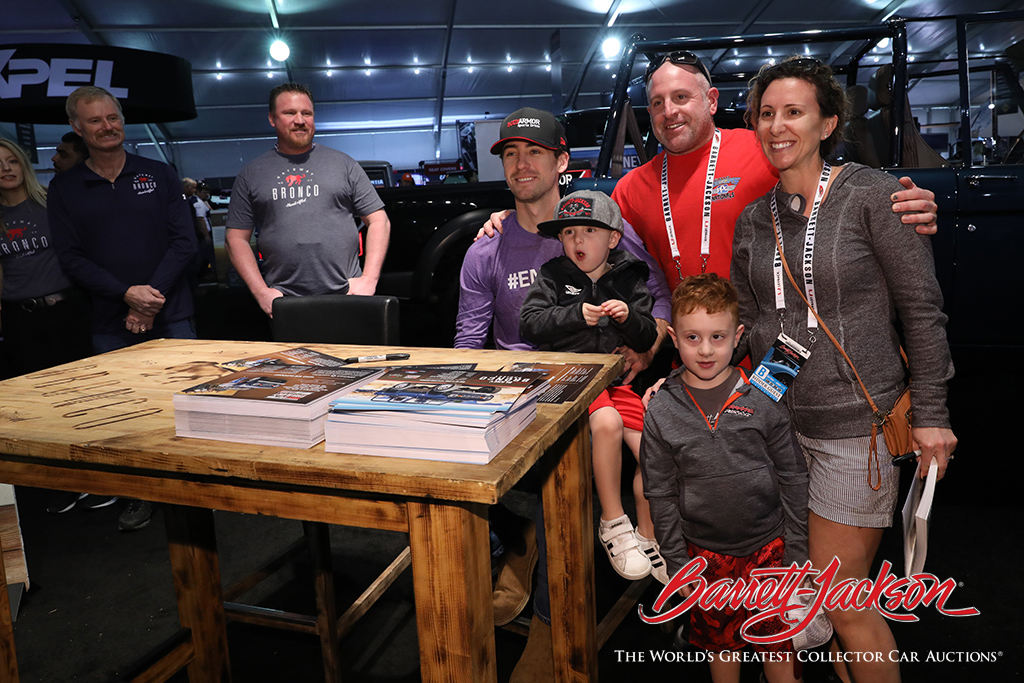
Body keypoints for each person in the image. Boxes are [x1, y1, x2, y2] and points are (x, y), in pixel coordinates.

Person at [731, 57, 956, 683]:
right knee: (808, 605)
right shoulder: (753, 221)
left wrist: (933, 416)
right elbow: (752, 322)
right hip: (782, 432)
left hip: (858, 431)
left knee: (842, 600)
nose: (778, 125)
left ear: (828, 122)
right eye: (766, 114)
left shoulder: (874, 196)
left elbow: (923, 311)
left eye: (794, 112)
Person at [457, 108, 671, 681]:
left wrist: (645, 350)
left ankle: (554, 625)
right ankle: (516, 545)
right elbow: (468, 340)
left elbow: (658, 299)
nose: (521, 164)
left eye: (534, 152)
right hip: (516, 390)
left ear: (561, 161)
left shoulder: (604, 228)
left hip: (586, 391)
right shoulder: (488, 246)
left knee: (571, 469)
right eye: (509, 154)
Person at [610, 51, 940, 295]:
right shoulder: (629, 191)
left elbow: (832, 188)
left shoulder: (765, 147)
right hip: (693, 354)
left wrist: (896, 205)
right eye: (657, 102)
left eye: (681, 97)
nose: (669, 111)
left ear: (711, 101)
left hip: (776, 341)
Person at [641, 273, 810, 683]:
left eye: (717, 337)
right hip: (704, 558)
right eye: (692, 337)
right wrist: (678, 562)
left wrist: (797, 553)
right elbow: (659, 493)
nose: (705, 349)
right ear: (673, 338)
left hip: (769, 552)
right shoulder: (661, 411)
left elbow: (793, 475)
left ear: (737, 337)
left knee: (779, 651)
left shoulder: (764, 399)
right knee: (722, 652)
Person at [48, 85, 198, 532]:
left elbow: (184, 242)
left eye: (112, 117)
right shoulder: (65, 188)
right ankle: (140, 496)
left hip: (172, 314)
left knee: (187, 408)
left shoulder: (159, 172)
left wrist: (147, 297)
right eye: (94, 121)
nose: (106, 127)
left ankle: (196, 493)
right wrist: (125, 295)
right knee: (127, 415)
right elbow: (71, 257)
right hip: (111, 321)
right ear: (77, 127)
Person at [520, 190, 659, 582]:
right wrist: (573, 315)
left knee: (654, 445)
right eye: (569, 233)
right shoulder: (552, 275)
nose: (578, 241)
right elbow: (529, 324)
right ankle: (613, 521)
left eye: (589, 231)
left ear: (614, 238)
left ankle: (648, 533)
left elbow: (647, 336)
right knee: (608, 425)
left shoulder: (630, 276)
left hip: (615, 381)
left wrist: (629, 316)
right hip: (571, 379)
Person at [0, 138, 109, 514]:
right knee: (40, 407)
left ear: (23, 164)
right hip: (20, 317)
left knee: (81, 398)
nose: (6, 169)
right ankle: (63, 482)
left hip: (66, 311)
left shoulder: (51, 201)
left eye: (12, 160)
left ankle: (97, 479)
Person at [225, 82, 391, 317]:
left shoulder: (344, 165)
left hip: (348, 296)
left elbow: (379, 221)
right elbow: (235, 239)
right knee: (295, 356)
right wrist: (261, 292)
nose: (300, 120)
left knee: (351, 355)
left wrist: (369, 279)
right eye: (289, 113)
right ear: (272, 119)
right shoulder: (252, 174)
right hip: (286, 303)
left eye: (307, 113)